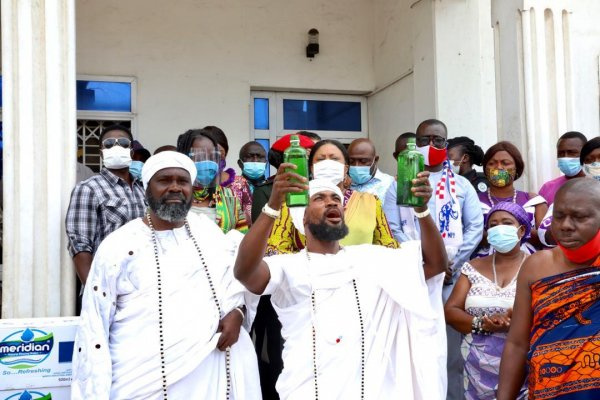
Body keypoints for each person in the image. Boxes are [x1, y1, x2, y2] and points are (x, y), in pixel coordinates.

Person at [235, 170, 449, 399]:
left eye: (336, 198)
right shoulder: (289, 266)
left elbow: (436, 265)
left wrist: (422, 211)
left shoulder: (371, 259)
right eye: (320, 198)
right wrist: (272, 207)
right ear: (303, 217)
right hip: (306, 388)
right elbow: (245, 273)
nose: (331, 202)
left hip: (369, 390)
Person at [71, 151, 260, 399]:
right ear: (147, 188)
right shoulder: (119, 245)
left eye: (182, 181)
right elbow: (95, 321)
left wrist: (237, 312)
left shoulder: (209, 233)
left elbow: (235, 281)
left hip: (209, 369)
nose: (174, 188)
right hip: (140, 379)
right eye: (164, 180)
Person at [383, 119, 484, 400]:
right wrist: (423, 263)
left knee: (450, 352)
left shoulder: (462, 185)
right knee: (414, 347)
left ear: (446, 144)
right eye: (424, 140)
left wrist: (451, 263)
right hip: (416, 276)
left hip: (452, 280)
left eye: (438, 140)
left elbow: (475, 227)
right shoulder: (399, 186)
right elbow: (393, 228)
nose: (432, 145)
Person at [497, 178, 600, 400]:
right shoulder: (536, 265)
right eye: (559, 216)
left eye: (580, 217)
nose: (565, 225)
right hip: (548, 391)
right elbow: (517, 343)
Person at [445, 202, 531, 399]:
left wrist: (515, 320)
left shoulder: (536, 264)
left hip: (524, 365)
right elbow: (451, 310)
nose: (499, 228)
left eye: (507, 223)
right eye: (493, 225)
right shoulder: (473, 267)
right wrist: (482, 324)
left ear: (521, 230)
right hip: (475, 366)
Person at [267, 139, 398, 254]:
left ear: (346, 168)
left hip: (359, 278)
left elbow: (388, 247)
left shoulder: (370, 201)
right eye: (321, 159)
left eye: (334, 159)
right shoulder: (293, 203)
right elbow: (275, 250)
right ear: (312, 168)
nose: (327, 163)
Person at [66, 124, 146, 285]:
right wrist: (95, 290)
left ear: (131, 151)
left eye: (123, 143)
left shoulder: (144, 189)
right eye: (109, 144)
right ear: (101, 152)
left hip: (143, 283)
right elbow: (80, 245)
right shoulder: (88, 188)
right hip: (108, 283)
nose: (116, 147)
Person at [474, 141, 548, 256]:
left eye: (505, 163)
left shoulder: (534, 201)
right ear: (485, 169)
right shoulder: (473, 201)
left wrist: (515, 232)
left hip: (528, 265)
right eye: (492, 163)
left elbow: (546, 238)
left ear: (517, 168)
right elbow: (467, 237)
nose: (498, 167)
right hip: (483, 267)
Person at [176, 128, 248, 234]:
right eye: (200, 156)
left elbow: (242, 237)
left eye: (212, 157)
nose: (207, 162)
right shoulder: (171, 196)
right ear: (184, 157)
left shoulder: (228, 196)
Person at [250, 133, 316, 223]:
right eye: (304, 156)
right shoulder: (264, 190)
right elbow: (257, 229)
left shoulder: (316, 186)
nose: (310, 161)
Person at [538, 131, 587, 204]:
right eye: (561, 153)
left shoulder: (596, 184)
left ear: (585, 154)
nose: (565, 157)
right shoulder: (547, 188)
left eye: (571, 152)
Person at [347, 138, 395, 205]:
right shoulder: (343, 185)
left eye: (363, 161)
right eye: (351, 161)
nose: (356, 166)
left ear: (375, 160)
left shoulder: (391, 185)